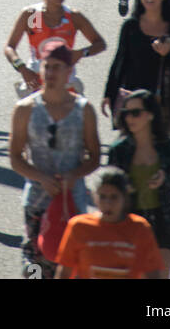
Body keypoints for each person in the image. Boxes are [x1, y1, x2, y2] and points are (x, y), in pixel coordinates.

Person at [8, 38, 101, 280]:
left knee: (71, 267)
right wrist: (40, 177)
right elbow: (15, 158)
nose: (50, 73)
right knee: (34, 268)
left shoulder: (84, 109)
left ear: (69, 72)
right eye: (46, 66)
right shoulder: (25, 108)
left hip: (72, 202)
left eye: (57, 67)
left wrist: (73, 175)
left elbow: (95, 156)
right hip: (37, 202)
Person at [108, 89, 170, 276]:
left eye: (136, 113)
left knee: (160, 274)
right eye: (126, 113)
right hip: (130, 220)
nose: (130, 118)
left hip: (163, 220)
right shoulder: (119, 149)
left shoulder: (169, 146)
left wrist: (164, 179)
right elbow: (108, 188)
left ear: (150, 115)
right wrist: (123, 187)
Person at [103, 0, 170, 138]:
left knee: (162, 156)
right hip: (134, 103)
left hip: (164, 105)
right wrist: (109, 94)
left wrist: (168, 54)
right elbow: (120, 61)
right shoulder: (130, 27)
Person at [4, 0, 106, 94]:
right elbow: (9, 47)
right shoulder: (32, 15)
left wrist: (81, 53)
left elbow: (100, 43)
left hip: (66, 83)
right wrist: (23, 69)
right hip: (36, 81)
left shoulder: (73, 17)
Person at [54, 168, 164, 279]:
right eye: (102, 197)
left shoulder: (140, 228)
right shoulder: (79, 226)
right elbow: (64, 272)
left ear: (124, 198)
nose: (108, 203)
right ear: (94, 197)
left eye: (114, 197)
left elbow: (153, 273)